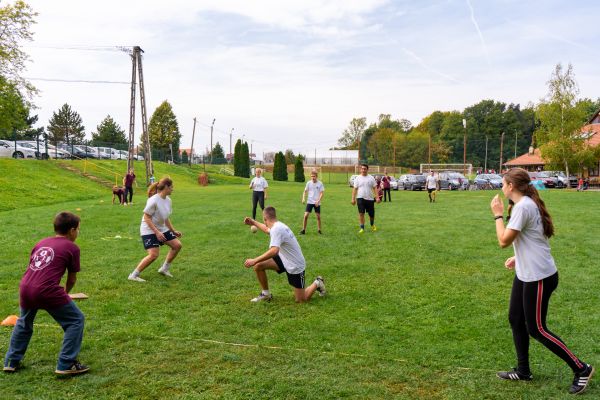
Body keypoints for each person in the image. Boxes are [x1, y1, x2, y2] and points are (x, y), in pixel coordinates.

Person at [490, 168, 594, 395]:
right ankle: (523, 370)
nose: (501, 186)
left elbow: (503, 241)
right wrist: (519, 258)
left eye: (503, 183)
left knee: (537, 329)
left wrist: (497, 215)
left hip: (539, 277)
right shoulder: (524, 204)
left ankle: (582, 369)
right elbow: (532, 238)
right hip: (527, 272)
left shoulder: (523, 206)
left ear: (511, 186)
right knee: (515, 318)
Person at [4, 212, 89, 375]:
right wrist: (65, 294)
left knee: (23, 322)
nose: (78, 232)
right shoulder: (72, 247)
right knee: (76, 320)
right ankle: (66, 363)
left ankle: (10, 361)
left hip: (26, 287)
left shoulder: (41, 242)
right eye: (78, 229)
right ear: (72, 230)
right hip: (47, 290)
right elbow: (71, 279)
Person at [243, 207, 326, 303]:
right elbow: (266, 229)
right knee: (259, 266)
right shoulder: (277, 226)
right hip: (284, 259)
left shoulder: (277, 229)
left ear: (265, 219)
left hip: (295, 265)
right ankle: (266, 294)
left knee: (301, 300)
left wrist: (254, 260)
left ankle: (318, 282)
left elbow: (274, 251)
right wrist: (253, 222)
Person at [128, 177, 182, 282]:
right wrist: (156, 233)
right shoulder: (153, 200)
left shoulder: (168, 200)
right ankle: (133, 275)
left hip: (161, 228)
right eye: (171, 187)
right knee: (153, 255)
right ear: (166, 187)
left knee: (177, 245)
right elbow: (146, 217)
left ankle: (164, 269)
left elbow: (165, 217)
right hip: (148, 229)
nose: (173, 189)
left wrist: (172, 230)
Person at [351, 163, 380, 234]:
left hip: (370, 199)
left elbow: (375, 188)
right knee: (361, 213)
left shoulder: (371, 178)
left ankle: (372, 225)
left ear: (367, 170)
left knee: (371, 215)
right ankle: (362, 228)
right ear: (360, 169)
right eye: (362, 169)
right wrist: (353, 199)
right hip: (360, 198)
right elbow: (355, 189)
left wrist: (377, 197)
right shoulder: (357, 178)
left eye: (365, 169)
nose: (363, 170)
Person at [300, 170, 324, 235]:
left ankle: (319, 230)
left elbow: (322, 193)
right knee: (306, 216)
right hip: (310, 201)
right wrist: (303, 198)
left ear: (316, 176)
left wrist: (318, 201)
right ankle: (303, 230)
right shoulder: (308, 183)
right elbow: (305, 192)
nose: (312, 178)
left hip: (317, 202)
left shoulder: (320, 183)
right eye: (311, 176)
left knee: (318, 216)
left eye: (314, 176)